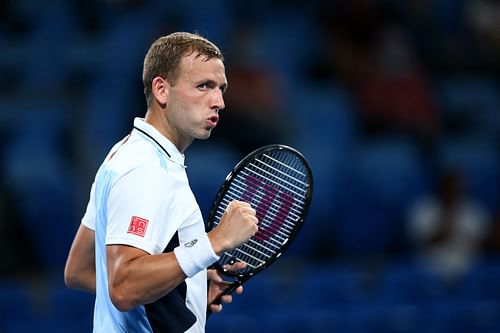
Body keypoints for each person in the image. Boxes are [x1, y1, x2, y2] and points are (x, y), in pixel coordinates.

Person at [64, 32, 259, 332]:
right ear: (161, 90)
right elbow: (123, 287)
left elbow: (79, 269)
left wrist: (177, 287)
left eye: (221, 88)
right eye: (203, 86)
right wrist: (214, 242)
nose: (219, 101)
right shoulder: (145, 170)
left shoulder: (126, 152)